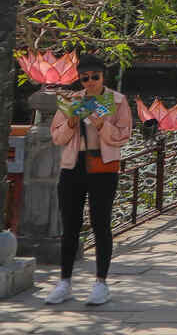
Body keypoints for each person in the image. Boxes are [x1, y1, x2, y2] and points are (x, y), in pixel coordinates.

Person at [46, 54, 132, 306]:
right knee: (70, 226)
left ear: (103, 76)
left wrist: (100, 123)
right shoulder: (72, 100)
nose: (90, 82)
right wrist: (71, 123)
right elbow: (57, 138)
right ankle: (64, 282)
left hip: (103, 167)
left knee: (101, 224)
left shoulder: (117, 101)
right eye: (85, 78)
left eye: (95, 77)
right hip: (73, 167)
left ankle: (100, 283)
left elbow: (122, 136)